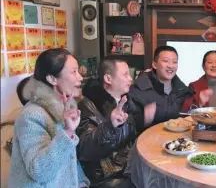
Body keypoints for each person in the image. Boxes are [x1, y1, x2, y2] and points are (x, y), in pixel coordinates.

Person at [8, 48, 90, 188]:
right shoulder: (31, 116)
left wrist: (82, 182)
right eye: (73, 72)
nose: (80, 77)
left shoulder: (64, 108)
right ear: (52, 79)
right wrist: (67, 132)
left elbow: (69, 159)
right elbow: (39, 171)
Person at [76, 56, 137, 188]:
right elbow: (86, 149)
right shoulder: (87, 106)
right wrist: (110, 125)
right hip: (107, 176)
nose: (130, 78)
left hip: (127, 166)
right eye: (125, 74)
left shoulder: (124, 100)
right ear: (108, 79)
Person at [128, 45, 194, 133]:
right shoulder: (137, 91)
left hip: (177, 142)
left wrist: (199, 102)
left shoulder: (182, 91)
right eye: (166, 61)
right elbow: (127, 129)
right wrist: (143, 121)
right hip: (148, 143)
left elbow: (187, 118)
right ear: (154, 65)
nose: (171, 66)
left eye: (174, 62)